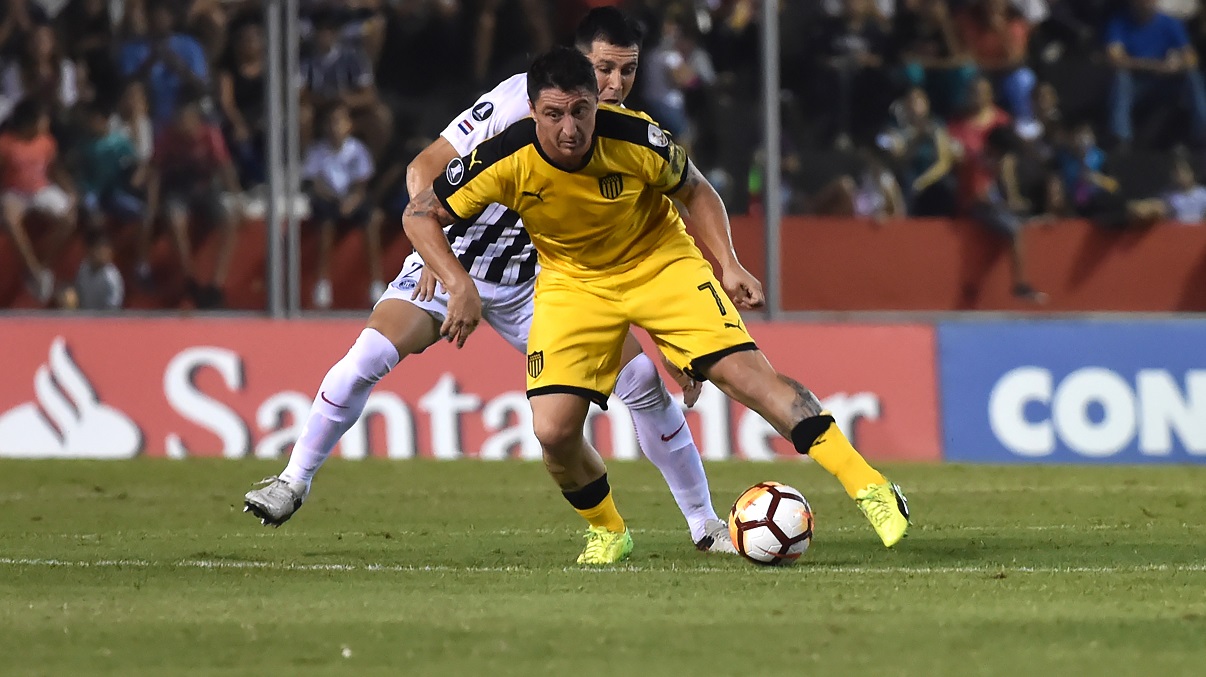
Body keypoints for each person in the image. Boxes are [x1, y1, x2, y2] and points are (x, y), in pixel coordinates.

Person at [243, 8, 741, 558]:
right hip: (456, 259)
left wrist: (673, 341)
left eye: (625, 72)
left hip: (543, 282)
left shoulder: (623, 133)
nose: (613, 85)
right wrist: (444, 269)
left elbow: (637, 244)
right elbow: (423, 167)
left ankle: (704, 524)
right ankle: (292, 481)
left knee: (642, 382)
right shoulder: (514, 102)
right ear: (576, 64)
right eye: (602, 69)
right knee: (366, 357)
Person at [402, 46, 911, 564]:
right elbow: (419, 214)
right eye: (553, 115)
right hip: (572, 283)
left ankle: (869, 486)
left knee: (746, 378)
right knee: (553, 433)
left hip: (659, 265)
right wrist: (457, 283)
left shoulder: (633, 136)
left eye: (580, 111)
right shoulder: (503, 157)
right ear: (532, 111)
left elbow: (696, 190)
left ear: (595, 105)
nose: (570, 129)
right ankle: (608, 530)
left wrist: (728, 263)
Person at [302, 102, 380, 308]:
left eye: (340, 121)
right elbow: (314, 182)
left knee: (371, 221)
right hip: (327, 200)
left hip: (351, 200)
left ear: (350, 125)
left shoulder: (357, 150)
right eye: (331, 122)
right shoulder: (317, 150)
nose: (335, 126)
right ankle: (322, 283)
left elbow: (362, 184)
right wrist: (334, 200)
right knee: (326, 225)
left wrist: (352, 202)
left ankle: (376, 283)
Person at [0, 99, 76, 305]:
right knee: (11, 221)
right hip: (14, 192)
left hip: (41, 190)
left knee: (69, 217)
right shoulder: (6, 144)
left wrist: (70, 191)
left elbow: (54, 170)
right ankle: (32, 270)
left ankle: (42, 262)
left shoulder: (47, 142)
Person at [1107, 0, 1206, 147]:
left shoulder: (1169, 23)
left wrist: (1176, 66)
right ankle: (1120, 137)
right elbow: (1114, 58)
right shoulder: (1119, 23)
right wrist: (1152, 65)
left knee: (1193, 77)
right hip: (1137, 84)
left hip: (1166, 83)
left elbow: (1191, 57)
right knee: (1121, 79)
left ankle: (1202, 131)